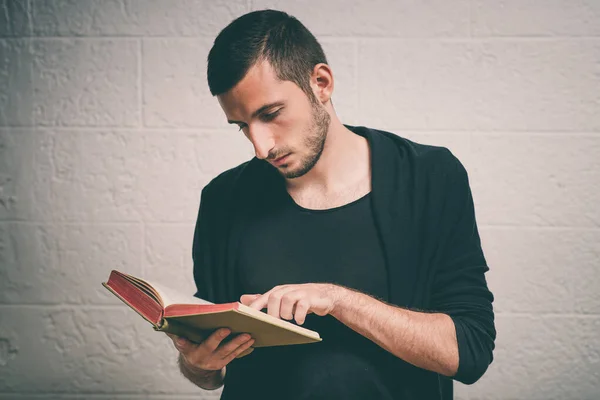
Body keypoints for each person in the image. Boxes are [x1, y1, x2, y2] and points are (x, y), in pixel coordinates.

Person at [165, 9, 496, 400]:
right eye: (242, 126)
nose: (260, 146)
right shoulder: (223, 199)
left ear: (321, 83)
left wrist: (337, 300)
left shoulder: (430, 177)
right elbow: (212, 373)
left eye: (270, 114)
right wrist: (197, 364)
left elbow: (469, 352)